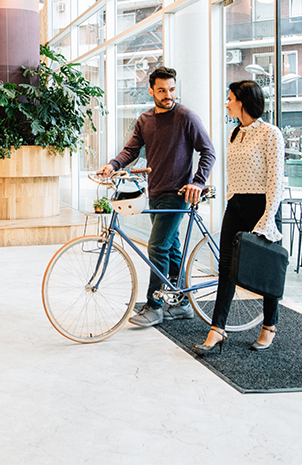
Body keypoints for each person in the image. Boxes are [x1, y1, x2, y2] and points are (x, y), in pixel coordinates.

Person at [97, 67, 216, 327]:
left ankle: (154, 305)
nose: (168, 95)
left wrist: (197, 182)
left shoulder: (186, 117)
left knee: (157, 246)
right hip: (156, 192)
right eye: (162, 90)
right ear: (151, 90)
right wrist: (113, 165)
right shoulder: (145, 120)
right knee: (171, 247)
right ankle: (183, 304)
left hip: (178, 194)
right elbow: (131, 150)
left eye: (172, 89)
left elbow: (208, 152)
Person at [194, 80, 284, 353]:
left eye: (230, 98)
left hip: (263, 207)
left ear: (243, 101)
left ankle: (269, 325)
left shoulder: (271, 134)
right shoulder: (234, 133)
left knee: (266, 270)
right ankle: (217, 329)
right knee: (226, 269)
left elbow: (275, 181)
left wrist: (267, 219)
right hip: (235, 206)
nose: (227, 103)